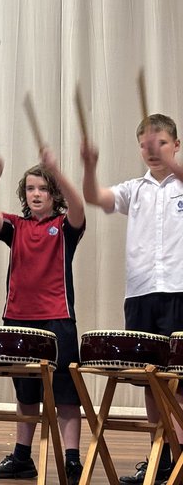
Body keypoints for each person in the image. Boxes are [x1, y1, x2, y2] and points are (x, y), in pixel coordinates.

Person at [82, 113, 183, 484]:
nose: (152, 151)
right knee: (150, 379)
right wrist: (90, 167)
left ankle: (179, 459)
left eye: (160, 143)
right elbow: (96, 197)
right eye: (145, 144)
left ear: (176, 144)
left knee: (179, 380)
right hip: (140, 294)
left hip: (178, 292)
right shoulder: (134, 189)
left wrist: (175, 167)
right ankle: (159, 456)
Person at [0, 148, 85, 485]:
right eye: (30, 189)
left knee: (67, 395)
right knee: (26, 395)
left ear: (54, 194)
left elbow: (79, 208)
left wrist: (57, 170)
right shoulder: (16, 225)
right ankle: (23, 458)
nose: (36, 194)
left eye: (42, 188)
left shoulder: (64, 226)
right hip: (18, 318)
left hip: (58, 319)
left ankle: (72, 459)